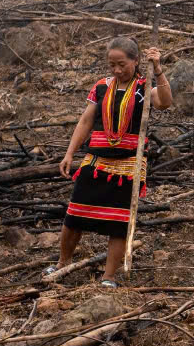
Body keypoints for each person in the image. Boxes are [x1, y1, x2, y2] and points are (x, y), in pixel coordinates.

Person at [51, 37, 173, 286]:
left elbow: (165, 102)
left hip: (128, 164)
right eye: (112, 65)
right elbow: (85, 121)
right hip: (96, 161)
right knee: (75, 214)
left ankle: (108, 276)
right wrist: (69, 153)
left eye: (122, 64)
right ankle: (62, 264)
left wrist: (158, 69)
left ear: (135, 61)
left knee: (119, 222)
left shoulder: (144, 86)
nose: (117, 70)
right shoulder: (102, 86)